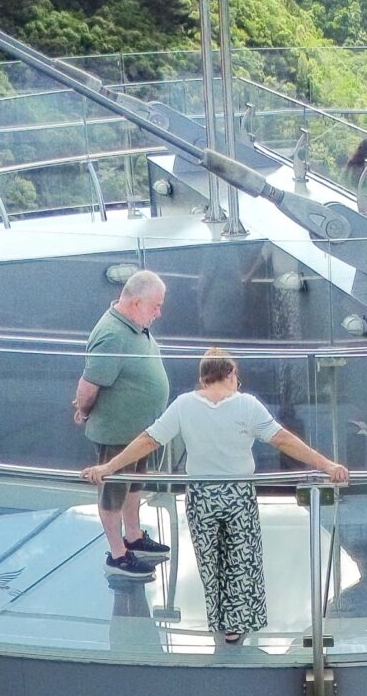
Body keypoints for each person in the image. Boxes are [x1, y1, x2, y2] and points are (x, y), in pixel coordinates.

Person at [84, 349, 349, 644]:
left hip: (202, 495)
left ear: (202, 378)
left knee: (211, 560)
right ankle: (236, 625)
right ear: (231, 374)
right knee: (240, 559)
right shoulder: (247, 405)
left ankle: (221, 622)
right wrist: (326, 464)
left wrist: (109, 466)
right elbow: (283, 439)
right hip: (238, 494)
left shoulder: (185, 405)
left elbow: (149, 439)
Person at [71, 269, 174, 584]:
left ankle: (133, 535)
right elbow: (89, 385)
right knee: (113, 492)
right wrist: (83, 410)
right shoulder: (112, 333)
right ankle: (117, 554)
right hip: (117, 432)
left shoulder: (135, 325)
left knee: (134, 484)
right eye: (155, 306)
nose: (159, 313)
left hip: (140, 432)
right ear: (135, 302)